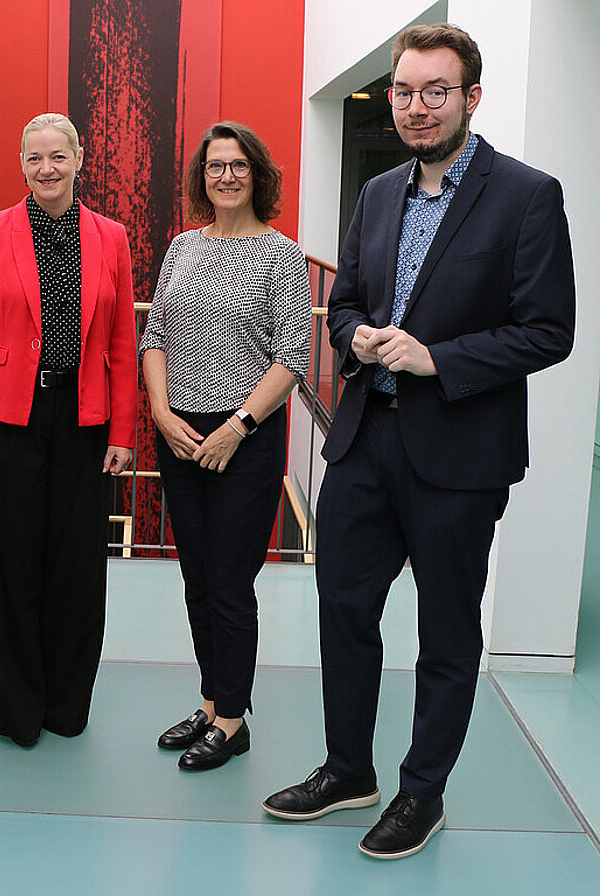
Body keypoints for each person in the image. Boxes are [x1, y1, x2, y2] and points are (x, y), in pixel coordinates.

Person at [262, 23, 575, 859]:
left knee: (445, 632)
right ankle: (347, 769)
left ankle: (421, 792)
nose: (416, 107)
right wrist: (356, 336)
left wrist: (440, 358)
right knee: (344, 612)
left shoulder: (526, 195)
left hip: (460, 456)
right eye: (403, 91)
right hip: (368, 439)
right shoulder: (378, 192)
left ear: (472, 97)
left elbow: (549, 331)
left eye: (436, 91)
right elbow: (350, 302)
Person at [0, 112, 137, 747]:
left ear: (79, 158)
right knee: (8, 566)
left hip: (84, 420)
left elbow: (121, 338)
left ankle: (66, 705)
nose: (47, 169)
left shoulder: (110, 237)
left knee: (77, 568)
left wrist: (122, 430)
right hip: (8, 418)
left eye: (58, 156)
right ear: (21, 163)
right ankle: (15, 709)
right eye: (35, 158)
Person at [140, 122, 311, 772]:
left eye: (239, 164)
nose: (227, 176)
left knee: (230, 582)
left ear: (257, 174)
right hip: (181, 435)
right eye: (216, 166)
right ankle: (212, 702)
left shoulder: (281, 254)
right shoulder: (182, 247)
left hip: (246, 438)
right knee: (196, 578)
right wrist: (160, 410)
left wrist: (236, 426)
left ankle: (233, 722)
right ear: (202, 177)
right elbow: (154, 334)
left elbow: (292, 354)